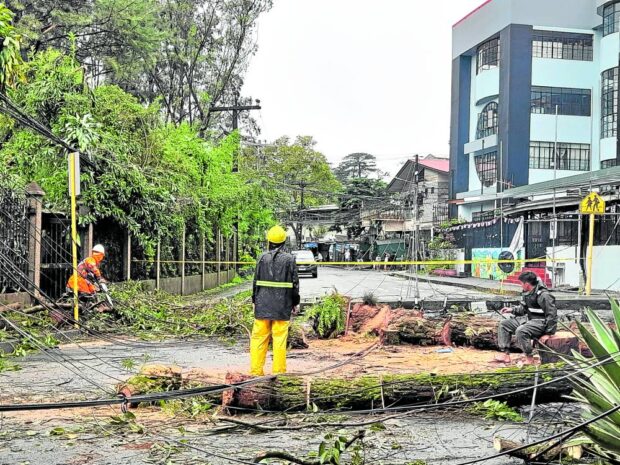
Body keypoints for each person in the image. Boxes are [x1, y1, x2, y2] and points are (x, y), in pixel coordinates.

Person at [250, 225, 300, 376]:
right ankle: (279, 373)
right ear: (284, 242)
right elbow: (294, 283)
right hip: (282, 306)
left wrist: (254, 301)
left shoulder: (261, 258)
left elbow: (255, 281)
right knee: (279, 339)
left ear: (269, 241)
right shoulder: (289, 259)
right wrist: (295, 303)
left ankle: (256, 372)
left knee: (259, 338)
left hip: (262, 304)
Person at [495, 271, 557, 365]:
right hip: (529, 320)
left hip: (541, 323)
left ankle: (529, 357)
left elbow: (552, 315)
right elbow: (523, 309)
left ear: (527, 284)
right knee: (504, 324)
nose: (521, 286)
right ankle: (505, 354)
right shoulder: (527, 293)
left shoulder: (544, 295)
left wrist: (548, 333)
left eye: (521, 283)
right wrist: (511, 310)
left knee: (521, 331)